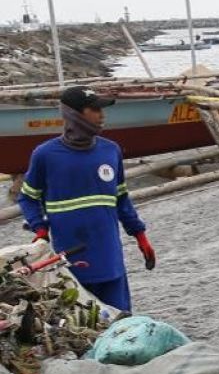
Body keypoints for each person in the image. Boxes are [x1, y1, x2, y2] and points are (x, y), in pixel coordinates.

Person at [18, 86, 156, 311]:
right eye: (95, 109)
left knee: (121, 319)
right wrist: (40, 230)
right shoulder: (45, 155)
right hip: (71, 259)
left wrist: (140, 235)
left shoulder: (111, 151)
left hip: (110, 257)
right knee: (84, 319)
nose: (103, 115)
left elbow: (121, 199)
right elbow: (27, 198)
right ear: (74, 114)